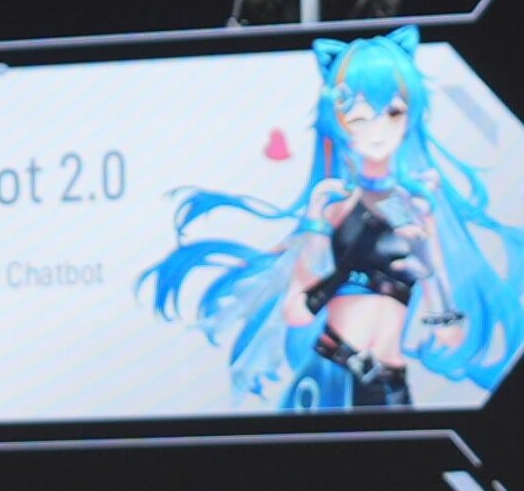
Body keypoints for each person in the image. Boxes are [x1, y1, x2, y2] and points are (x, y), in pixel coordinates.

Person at [144, 28, 524, 408]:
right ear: (338, 122)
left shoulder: (414, 208)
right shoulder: (334, 204)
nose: (377, 129)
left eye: (393, 112)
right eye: (359, 117)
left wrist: (427, 267)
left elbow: (450, 336)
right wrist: (337, 263)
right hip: (329, 379)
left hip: (392, 390)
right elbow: (296, 312)